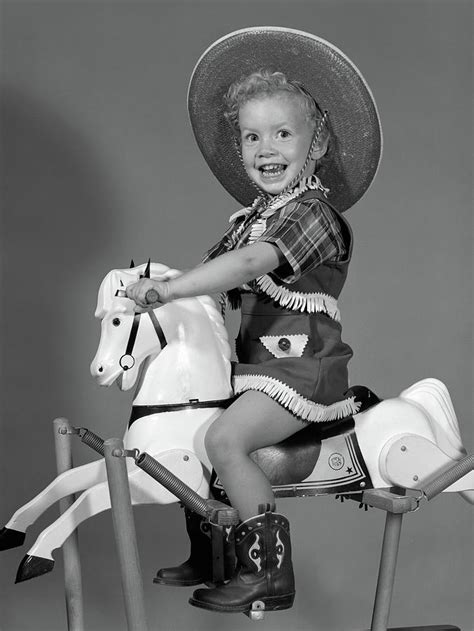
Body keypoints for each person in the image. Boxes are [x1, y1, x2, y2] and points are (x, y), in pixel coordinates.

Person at [126, 26, 382, 614]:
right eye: (251, 136)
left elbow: (247, 265)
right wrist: (173, 294)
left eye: (283, 134)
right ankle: (214, 551)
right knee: (193, 430)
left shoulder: (314, 216)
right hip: (256, 368)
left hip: (302, 369)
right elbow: (214, 273)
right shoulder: (250, 216)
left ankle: (270, 573)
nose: (266, 149)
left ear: (315, 145)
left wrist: (167, 288)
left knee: (223, 439)